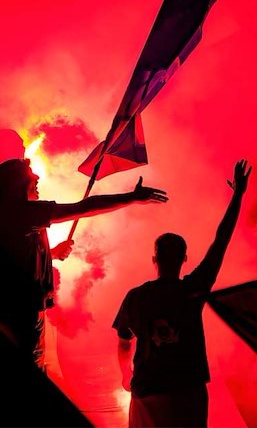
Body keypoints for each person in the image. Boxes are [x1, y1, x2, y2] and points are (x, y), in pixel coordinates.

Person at [112, 159, 251, 428]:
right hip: (188, 389)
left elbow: (124, 342)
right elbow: (221, 241)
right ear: (184, 259)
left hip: (148, 390)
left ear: (154, 259)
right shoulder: (193, 289)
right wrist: (238, 195)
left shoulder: (136, 297)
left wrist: (125, 375)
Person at [0, 157, 168, 370]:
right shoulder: (22, 212)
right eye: (30, 174)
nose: (37, 177)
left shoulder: (12, 212)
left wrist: (51, 254)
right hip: (22, 310)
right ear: (16, 184)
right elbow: (84, 207)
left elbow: (14, 257)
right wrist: (132, 198)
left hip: (19, 307)